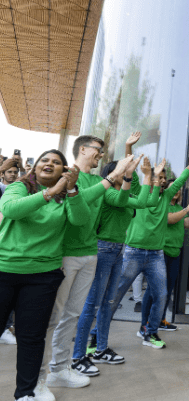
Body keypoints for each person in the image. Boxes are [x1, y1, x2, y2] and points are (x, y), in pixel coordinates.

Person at [41, 137, 137, 395]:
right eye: (98, 151)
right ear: (82, 149)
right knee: (54, 317)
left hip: (90, 252)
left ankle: (60, 369)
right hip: (65, 255)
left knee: (72, 314)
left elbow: (121, 199)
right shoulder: (67, 174)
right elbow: (79, 199)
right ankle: (40, 377)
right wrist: (114, 174)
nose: (100, 155)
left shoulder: (98, 181)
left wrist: (126, 177)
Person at [0, 150, 89, 401]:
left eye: (57, 162)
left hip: (42, 276)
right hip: (4, 270)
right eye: (45, 160)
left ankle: (25, 393)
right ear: (35, 167)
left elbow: (81, 219)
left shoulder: (67, 196)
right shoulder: (20, 187)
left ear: (64, 171)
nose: (50, 164)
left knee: (32, 338)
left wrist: (71, 190)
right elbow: (11, 210)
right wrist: (49, 193)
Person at [109, 143, 189, 349]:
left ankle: (150, 332)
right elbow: (131, 172)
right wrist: (128, 146)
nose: (162, 180)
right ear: (151, 178)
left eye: (164, 178)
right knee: (115, 295)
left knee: (161, 295)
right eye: (159, 177)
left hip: (156, 255)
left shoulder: (167, 197)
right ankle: (96, 334)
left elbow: (181, 179)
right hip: (133, 252)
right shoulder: (138, 191)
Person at [72, 153, 158, 374]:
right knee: (92, 304)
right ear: (115, 173)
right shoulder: (109, 193)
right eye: (123, 172)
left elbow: (145, 201)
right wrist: (129, 177)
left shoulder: (123, 191)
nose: (128, 175)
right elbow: (122, 200)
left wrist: (149, 177)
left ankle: (101, 350)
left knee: (109, 302)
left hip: (118, 249)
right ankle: (77, 357)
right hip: (103, 249)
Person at [159, 184, 189, 330]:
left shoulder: (178, 208)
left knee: (168, 289)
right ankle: (149, 323)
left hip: (175, 253)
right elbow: (170, 219)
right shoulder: (162, 204)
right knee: (158, 290)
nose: (177, 191)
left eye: (179, 189)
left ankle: (161, 320)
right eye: (174, 188)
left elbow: (188, 223)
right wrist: (188, 208)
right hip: (162, 253)